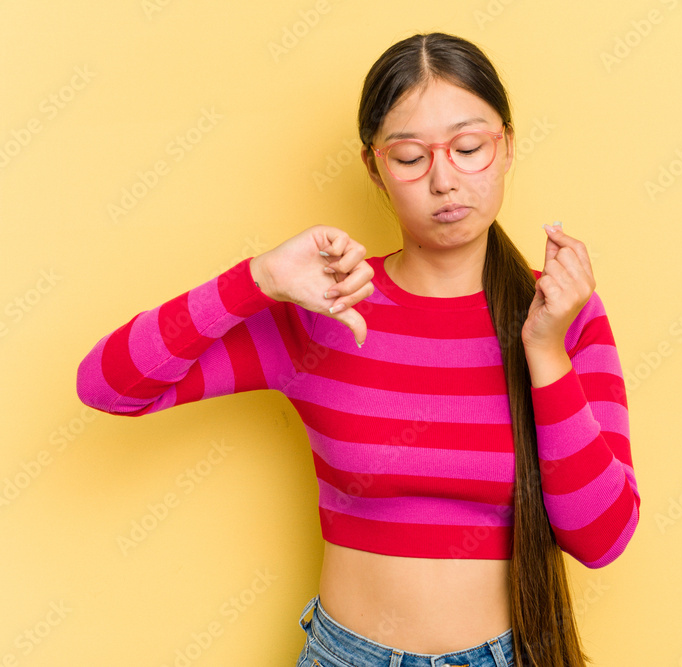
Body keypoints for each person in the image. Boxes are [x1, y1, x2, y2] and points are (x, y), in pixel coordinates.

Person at [76, 31, 640, 667]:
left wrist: (546, 355)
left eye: (469, 147)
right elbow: (108, 385)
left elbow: (601, 537)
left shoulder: (563, 312)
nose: (444, 180)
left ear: (506, 146)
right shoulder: (328, 308)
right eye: (409, 157)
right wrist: (256, 279)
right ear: (374, 166)